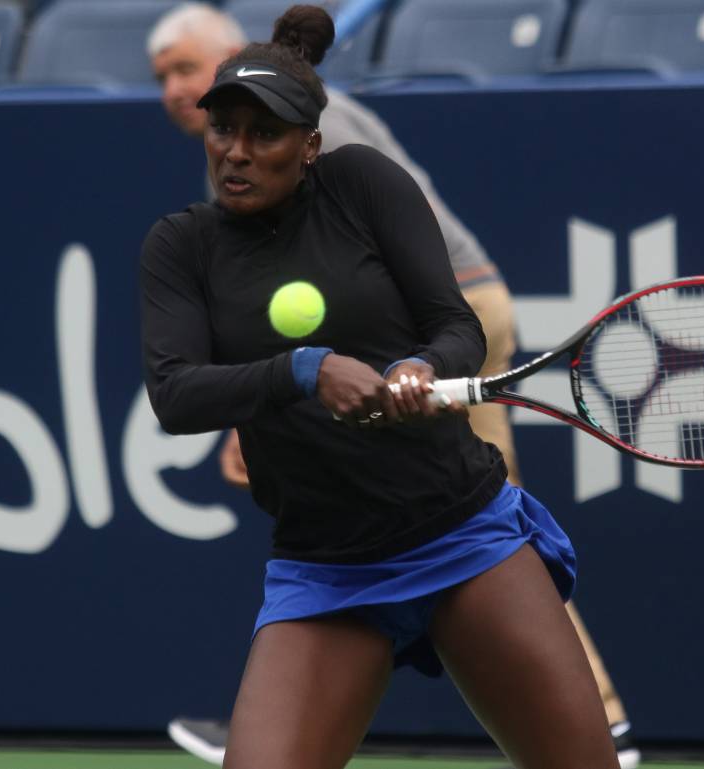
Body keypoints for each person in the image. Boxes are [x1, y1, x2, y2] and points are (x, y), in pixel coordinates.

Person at [147, 5, 639, 767]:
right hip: (325, 568)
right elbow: (176, 394)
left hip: (462, 534)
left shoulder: (364, 184)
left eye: (264, 133)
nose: (235, 152)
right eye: (223, 130)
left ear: (310, 145)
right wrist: (301, 373)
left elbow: (455, 325)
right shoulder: (182, 244)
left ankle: (608, 724)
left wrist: (419, 368)